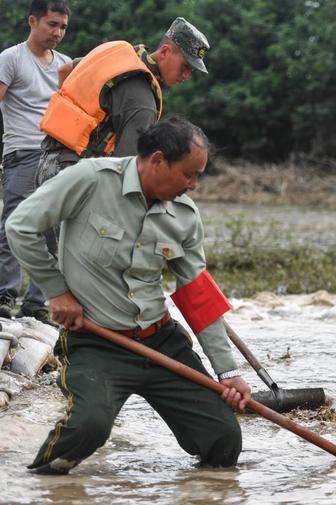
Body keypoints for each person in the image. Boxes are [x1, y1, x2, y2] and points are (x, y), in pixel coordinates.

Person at [6, 116, 251, 475]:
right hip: (96, 343)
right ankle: (46, 485)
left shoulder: (184, 215)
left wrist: (227, 371)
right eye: (189, 174)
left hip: (160, 343)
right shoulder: (89, 179)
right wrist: (56, 291)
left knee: (223, 442)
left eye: (199, 175)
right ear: (156, 161)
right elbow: (20, 226)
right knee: (87, 429)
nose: (194, 185)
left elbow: (198, 296)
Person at [36, 16, 209, 186]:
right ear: (165, 52)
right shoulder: (144, 103)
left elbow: (64, 70)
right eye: (185, 66)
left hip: (46, 163)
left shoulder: (115, 52)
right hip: (76, 176)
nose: (187, 75)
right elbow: (125, 167)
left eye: (191, 70)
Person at [0, 0, 70, 322]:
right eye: (52, 24)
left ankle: (36, 304)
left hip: (57, 153)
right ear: (32, 21)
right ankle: (5, 294)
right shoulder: (11, 59)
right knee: (14, 223)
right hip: (23, 150)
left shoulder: (66, 65)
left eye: (63, 27)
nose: (58, 32)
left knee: (53, 229)